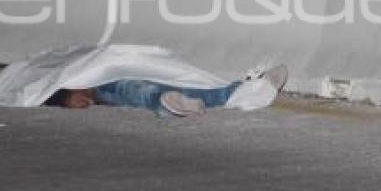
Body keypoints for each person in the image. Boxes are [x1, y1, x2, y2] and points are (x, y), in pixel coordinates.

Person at [44, 65, 288, 116]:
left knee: (185, 80)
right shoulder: (32, 69)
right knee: (135, 89)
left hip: (114, 68)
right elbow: (30, 89)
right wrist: (65, 97)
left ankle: (244, 90)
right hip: (100, 84)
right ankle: (164, 103)